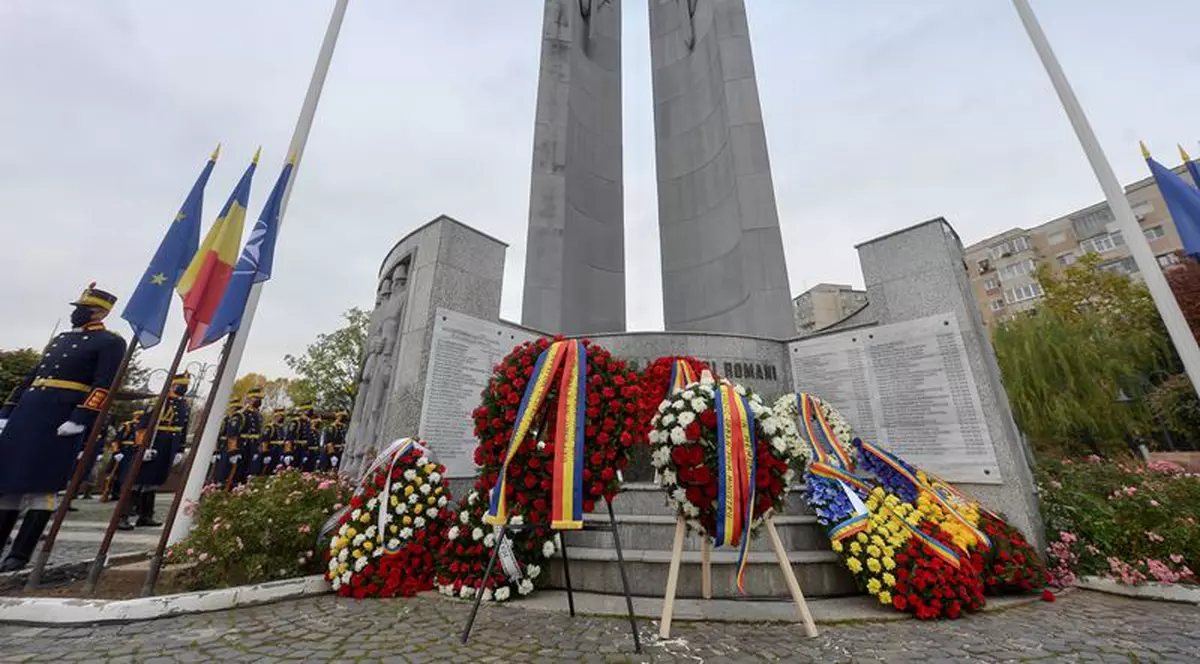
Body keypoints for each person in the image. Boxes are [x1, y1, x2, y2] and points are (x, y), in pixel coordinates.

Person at [0, 284, 127, 571]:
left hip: (59, 418)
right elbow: (34, 375)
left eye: (81, 309)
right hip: (28, 413)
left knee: (42, 487)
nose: (76, 313)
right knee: (8, 484)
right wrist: (8, 411)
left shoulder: (110, 342)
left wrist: (80, 418)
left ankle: (19, 553)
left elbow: (103, 385)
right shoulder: (60, 339)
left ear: (98, 312)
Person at [118, 374, 189, 530]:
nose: (184, 388)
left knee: (153, 481)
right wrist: (142, 447)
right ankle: (122, 517)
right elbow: (142, 426)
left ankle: (146, 516)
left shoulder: (184, 404)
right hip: (153, 445)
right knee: (136, 481)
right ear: (172, 385)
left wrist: (179, 450)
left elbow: (183, 429)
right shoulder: (159, 402)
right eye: (181, 384)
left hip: (168, 447)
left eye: (186, 385)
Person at [100, 410, 141, 503]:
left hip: (135, 451)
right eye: (138, 415)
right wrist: (116, 452)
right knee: (116, 473)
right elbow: (116, 440)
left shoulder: (144, 426)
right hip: (124, 451)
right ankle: (112, 493)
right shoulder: (127, 425)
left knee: (129, 474)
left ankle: (126, 495)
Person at [211, 397, 243, 487]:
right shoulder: (226, 420)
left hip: (230, 447)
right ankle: (216, 484)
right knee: (220, 469)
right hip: (223, 446)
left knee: (228, 469)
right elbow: (220, 434)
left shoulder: (236, 419)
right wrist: (216, 449)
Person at [242, 388, 266, 478]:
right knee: (242, 468)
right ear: (250, 399)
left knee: (254, 468)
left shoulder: (258, 415)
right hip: (245, 444)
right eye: (256, 398)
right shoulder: (244, 413)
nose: (259, 401)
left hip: (255, 445)